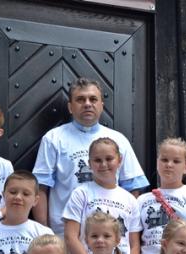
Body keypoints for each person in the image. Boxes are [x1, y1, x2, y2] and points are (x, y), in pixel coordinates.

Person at [33, 77, 149, 235]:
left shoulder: (119, 140)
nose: (87, 104)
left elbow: (132, 187)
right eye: (80, 99)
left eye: (93, 99)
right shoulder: (53, 138)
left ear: (101, 105)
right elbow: (40, 188)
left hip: (108, 236)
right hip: (64, 233)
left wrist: (123, 230)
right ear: (70, 107)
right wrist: (45, 232)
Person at [62, 137, 140, 254]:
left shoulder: (130, 200)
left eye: (109, 159)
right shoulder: (81, 194)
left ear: (119, 160)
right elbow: (71, 236)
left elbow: (134, 245)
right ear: (89, 163)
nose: (103, 164)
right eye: (97, 160)